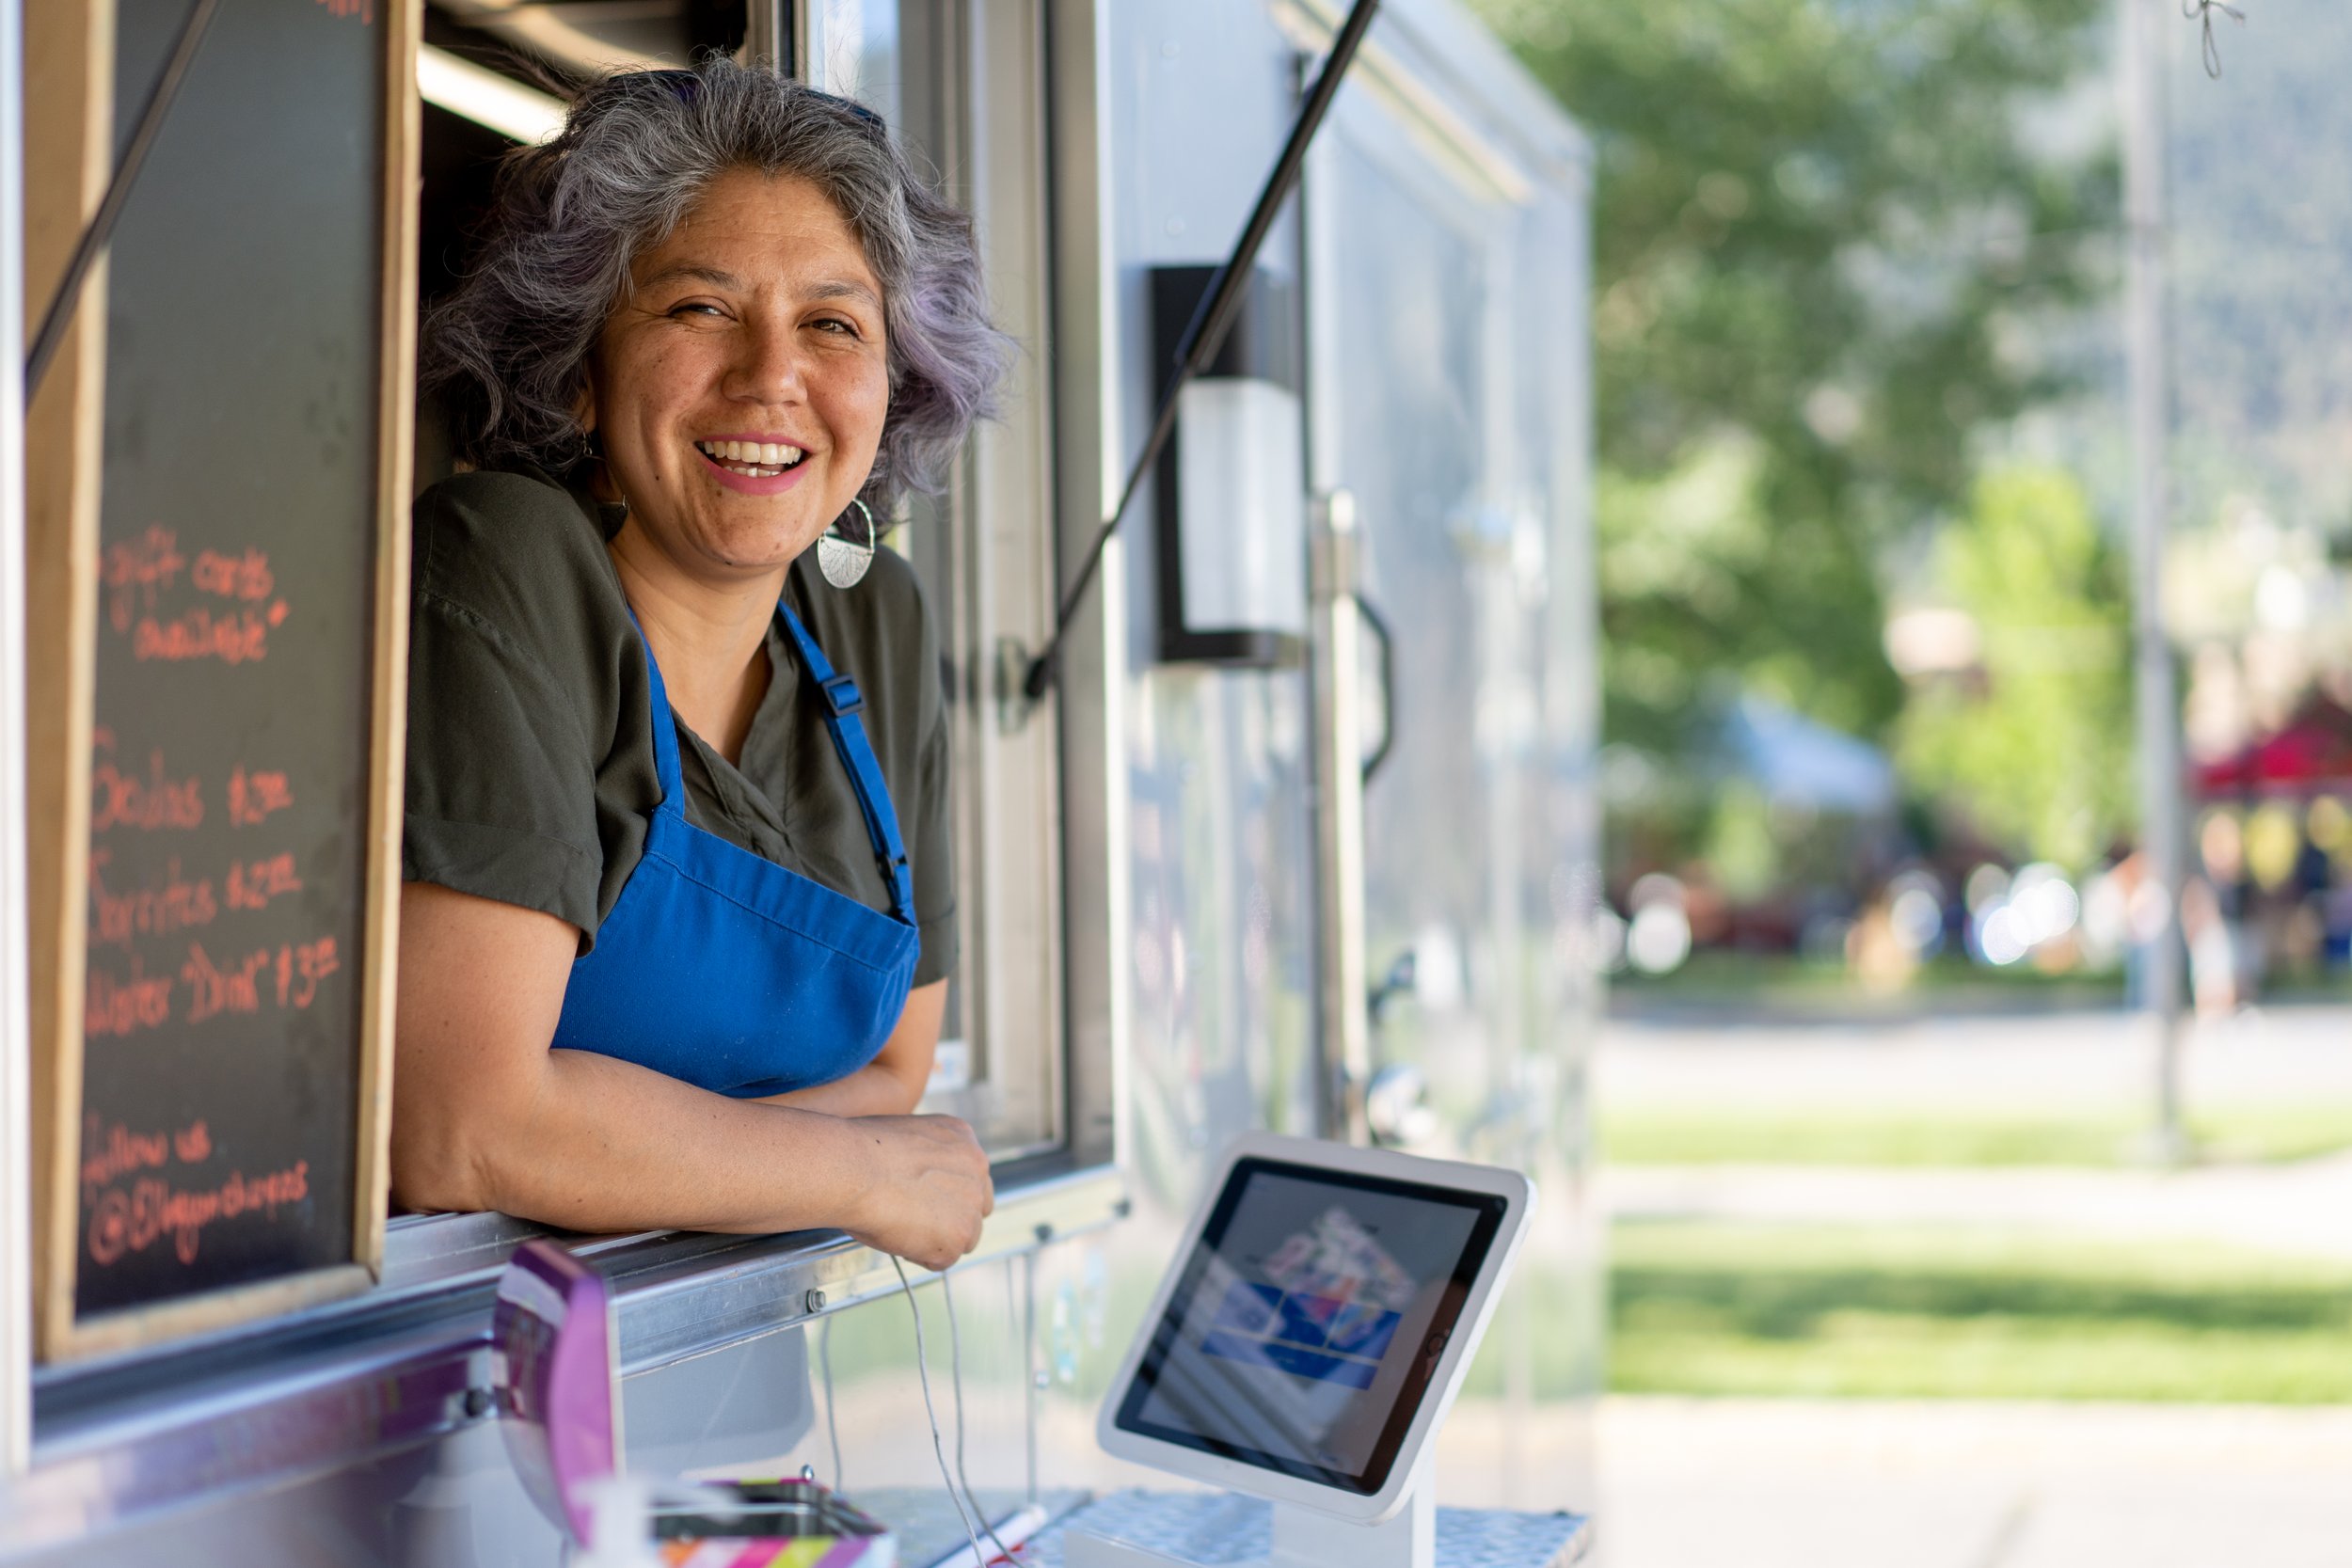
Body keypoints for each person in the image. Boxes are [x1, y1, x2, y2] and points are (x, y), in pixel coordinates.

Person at [391, 60, 1005, 1271]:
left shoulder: (875, 619)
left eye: (833, 323)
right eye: (699, 308)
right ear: (581, 369)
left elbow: (897, 1066)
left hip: (740, 1343)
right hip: (483, 1342)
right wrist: (860, 1174)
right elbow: (462, 1129)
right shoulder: (503, 559)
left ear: (893, 384)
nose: (771, 374)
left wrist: (593, 1138)